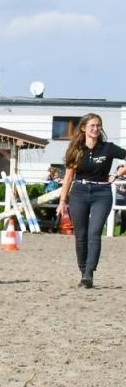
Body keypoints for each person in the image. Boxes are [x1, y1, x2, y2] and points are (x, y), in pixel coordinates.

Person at [57, 112, 126, 289]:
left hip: (101, 193)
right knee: (80, 235)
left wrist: (118, 174)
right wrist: (62, 201)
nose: (95, 129)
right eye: (92, 126)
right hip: (79, 192)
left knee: (94, 233)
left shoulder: (108, 148)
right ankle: (83, 270)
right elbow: (69, 177)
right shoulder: (76, 150)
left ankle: (89, 274)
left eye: (98, 125)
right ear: (83, 128)